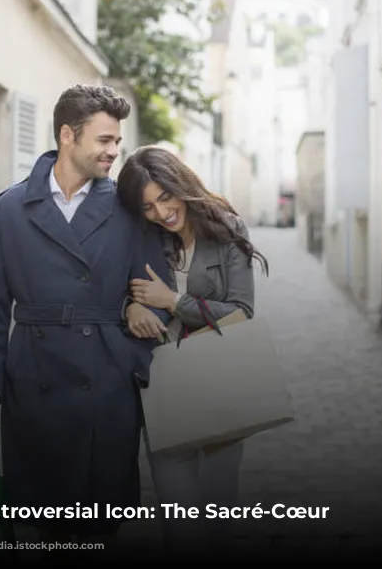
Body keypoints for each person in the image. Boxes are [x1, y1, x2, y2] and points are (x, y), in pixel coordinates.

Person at [0, 85, 170, 555]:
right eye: (104, 141)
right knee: (47, 520)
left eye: (117, 141)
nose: (115, 151)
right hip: (35, 376)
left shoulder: (128, 209)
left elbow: (158, 288)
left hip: (108, 378)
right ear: (67, 136)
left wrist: (136, 329)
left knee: (100, 522)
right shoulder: (10, 208)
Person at [116, 145, 269, 557]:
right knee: (179, 525)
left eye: (165, 197)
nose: (162, 213)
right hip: (163, 389)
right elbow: (111, 294)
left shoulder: (227, 229)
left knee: (217, 521)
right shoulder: (141, 239)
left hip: (219, 387)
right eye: (148, 207)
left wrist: (173, 302)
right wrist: (129, 306)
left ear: (181, 185)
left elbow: (242, 313)